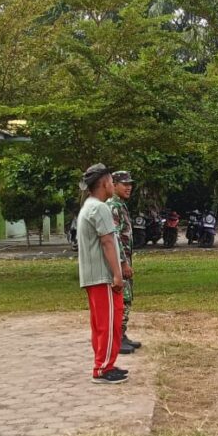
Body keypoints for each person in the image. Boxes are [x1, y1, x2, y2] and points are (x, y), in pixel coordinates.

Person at [76, 164, 128, 384]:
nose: (112, 184)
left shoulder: (90, 206)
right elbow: (107, 242)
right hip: (102, 276)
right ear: (104, 183)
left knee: (102, 323)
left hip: (93, 276)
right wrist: (117, 275)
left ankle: (105, 362)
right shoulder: (100, 208)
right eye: (110, 180)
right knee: (108, 323)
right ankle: (103, 369)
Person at [107, 171, 141, 355]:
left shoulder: (121, 205)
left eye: (130, 184)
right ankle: (117, 338)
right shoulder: (113, 206)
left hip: (126, 259)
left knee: (127, 297)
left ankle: (123, 333)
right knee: (123, 297)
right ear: (114, 184)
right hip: (121, 262)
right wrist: (123, 263)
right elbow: (115, 237)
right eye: (124, 184)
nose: (128, 187)